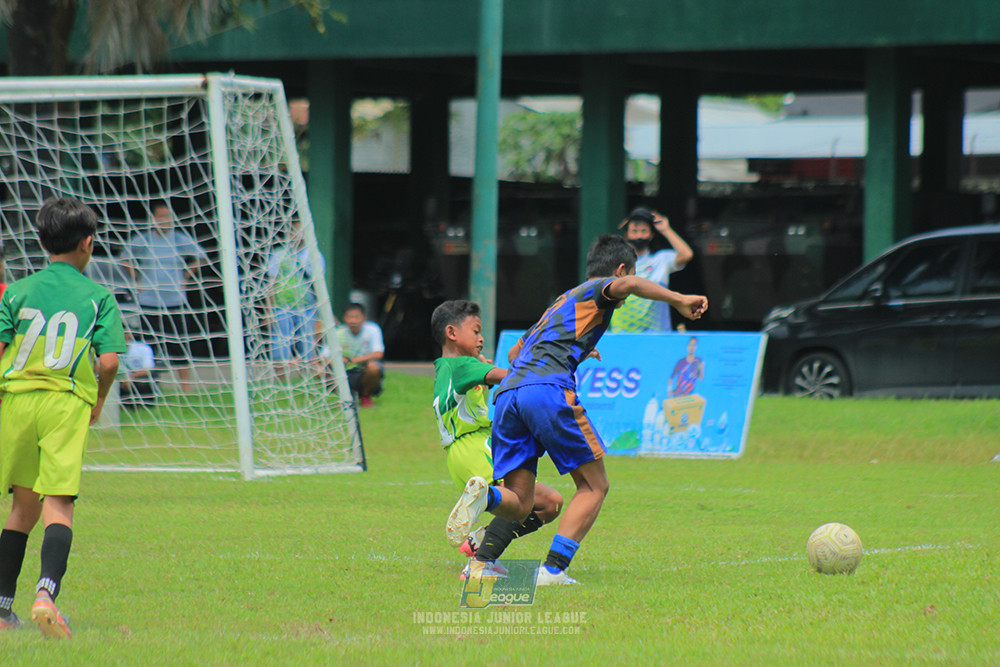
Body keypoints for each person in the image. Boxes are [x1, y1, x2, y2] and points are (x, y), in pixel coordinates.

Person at [445, 234, 707, 585]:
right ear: (619, 269)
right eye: (626, 276)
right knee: (594, 486)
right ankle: (553, 570)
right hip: (546, 391)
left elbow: (513, 354)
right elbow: (628, 283)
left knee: (521, 503)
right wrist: (679, 300)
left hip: (508, 394)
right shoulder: (601, 288)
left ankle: (486, 496)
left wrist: (577, 350)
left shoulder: (561, 302)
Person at [0, 198, 126, 638]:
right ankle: (46, 596)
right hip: (63, 405)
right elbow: (108, 362)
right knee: (58, 505)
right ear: (88, 244)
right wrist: (98, 400)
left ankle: (0, 609)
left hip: (15, 404)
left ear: (42, 241)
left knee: (22, 507)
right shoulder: (98, 297)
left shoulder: (17, 291)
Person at [431, 300, 563, 579]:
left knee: (550, 503)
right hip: (477, 448)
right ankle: (480, 562)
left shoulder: (449, 367)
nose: (481, 338)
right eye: (476, 331)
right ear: (452, 333)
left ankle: (482, 546)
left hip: (465, 452)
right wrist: (556, 359)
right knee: (521, 505)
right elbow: (512, 378)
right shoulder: (463, 365)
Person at [122, 200, 207, 392]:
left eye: (168, 217)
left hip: (174, 301)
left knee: (179, 345)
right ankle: (150, 386)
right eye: (161, 217)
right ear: (153, 219)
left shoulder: (178, 239)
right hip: (149, 301)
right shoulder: (144, 239)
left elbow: (201, 256)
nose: (165, 220)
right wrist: (136, 278)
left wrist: (186, 276)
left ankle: (185, 388)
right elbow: (124, 257)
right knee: (149, 346)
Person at [610, 206, 694, 333]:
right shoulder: (615, 264)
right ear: (626, 234)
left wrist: (666, 229)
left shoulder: (661, 260)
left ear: (651, 235)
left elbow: (686, 254)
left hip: (657, 337)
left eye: (644, 231)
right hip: (622, 338)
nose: (639, 235)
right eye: (634, 231)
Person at [266, 218, 325, 378]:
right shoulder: (279, 254)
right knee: (280, 343)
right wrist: (268, 310)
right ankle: (281, 380)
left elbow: (319, 286)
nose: (295, 236)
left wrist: (322, 313)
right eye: (293, 232)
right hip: (281, 305)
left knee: (307, 345)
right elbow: (272, 282)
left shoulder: (314, 256)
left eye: (299, 233)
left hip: (307, 307)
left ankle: (305, 381)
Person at [337, 303, 385, 408]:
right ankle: (342, 398)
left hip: (363, 370)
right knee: (320, 369)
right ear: (344, 318)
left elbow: (378, 353)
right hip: (343, 370)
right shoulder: (338, 332)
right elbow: (325, 355)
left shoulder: (373, 330)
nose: (353, 321)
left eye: (356, 317)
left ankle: (365, 396)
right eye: (350, 317)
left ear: (364, 318)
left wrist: (354, 360)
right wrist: (339, 361)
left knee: (373, 368)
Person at [118, 323, 158, 407]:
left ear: (129, 334)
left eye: (124, 333)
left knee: (145, 380)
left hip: (136, 380)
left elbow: (148, 369)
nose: (122, 336)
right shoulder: (108, 351)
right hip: (119, 381)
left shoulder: (143, 348)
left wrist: (130, 377)